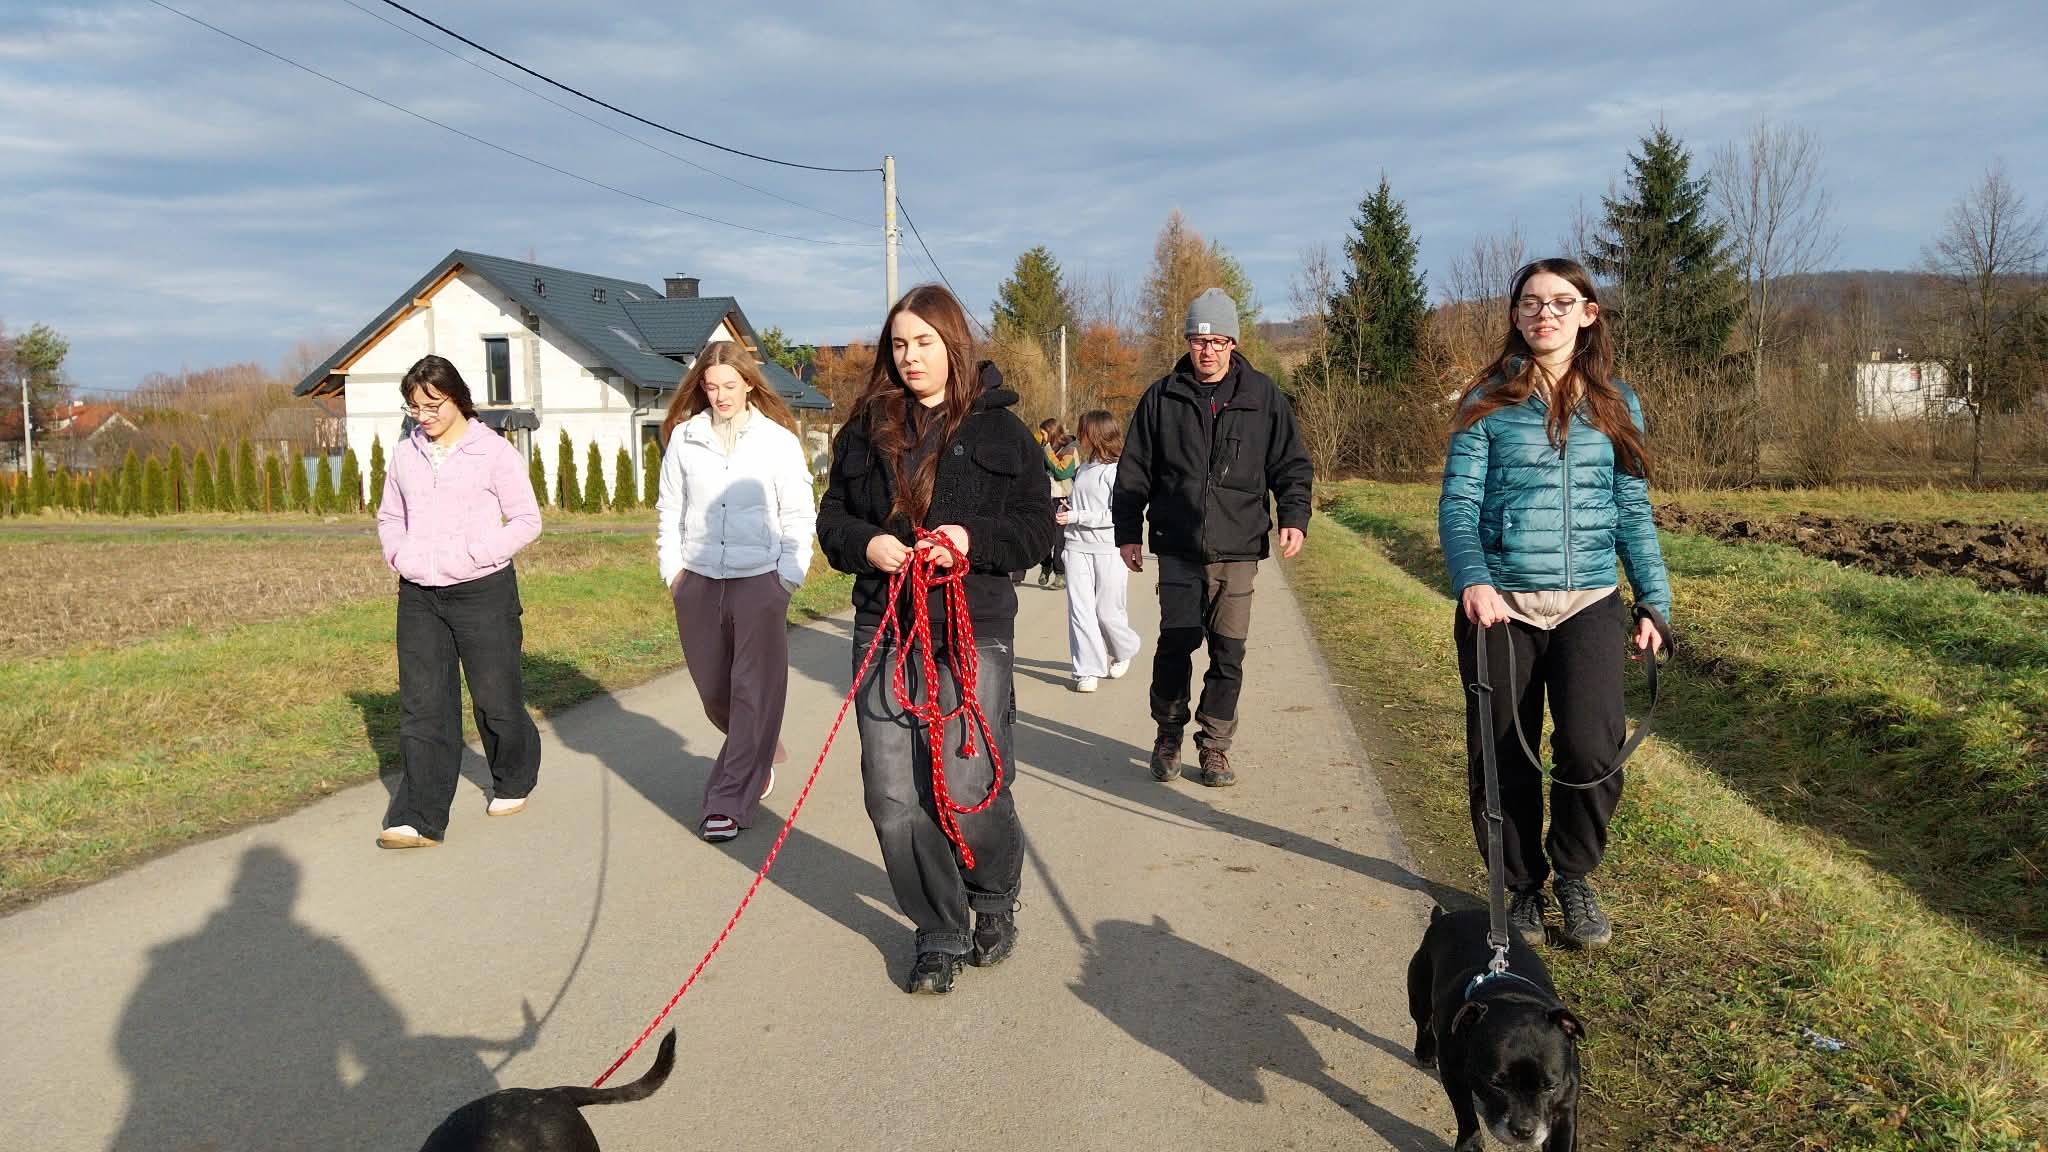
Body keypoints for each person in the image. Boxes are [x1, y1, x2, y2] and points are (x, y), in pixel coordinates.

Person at [816, 284, 1056, 995]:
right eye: (899, 344)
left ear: (953, 346)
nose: (910, 356)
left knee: (970, 783)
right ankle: (939, 928)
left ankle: (991, 893)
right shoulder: (864, 430)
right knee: (893, 794)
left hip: (971, 622)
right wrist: (870, 546)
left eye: (923, 342)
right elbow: (831, 524)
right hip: (884, 622)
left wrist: (970, 539)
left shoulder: (1003, 433)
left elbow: (1038, 530)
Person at [1437, 257, 1672, 950]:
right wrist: (1472, 580)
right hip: (1499, 606)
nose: (1546, 314)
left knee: (1593, 748)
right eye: (1532, 303)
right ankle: (1520, 887)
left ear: (1588, 314)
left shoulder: (1616, 402)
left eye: (1562, 302)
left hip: (1590, 602)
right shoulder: (1486, 398)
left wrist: (1653, 602)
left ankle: (1572, 874)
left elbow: (1633, 507)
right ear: (1514, 316)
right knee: (1503, 755)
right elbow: (1457, 505)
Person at [1112, 287, 1313, 788]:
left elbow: (1291, 464)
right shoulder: (1161, 396)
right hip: (1178, 544)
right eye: (1199, 341)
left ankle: (1216, 745)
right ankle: (1168, 732)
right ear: (1187, 342)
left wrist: (1294, 515)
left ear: (1232, 343)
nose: (1208, 350)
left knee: (1229, 651)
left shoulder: (1262, 396)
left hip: (1238, 546)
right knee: (1176, 644)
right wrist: (1127, 531)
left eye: (1218, 341)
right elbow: (1134, 469)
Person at [374, 354, 542, 848]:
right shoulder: (406, 453)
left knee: (496, 697)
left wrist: (476, 554)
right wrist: (399, 555)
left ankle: (513, 775)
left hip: (482, 590)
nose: (422, 416)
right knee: (423, 704)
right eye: (414, 408)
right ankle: (419, 816)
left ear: (457, 398)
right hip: (419, 594)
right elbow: (389, 515)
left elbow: (527, 521)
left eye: (431, 405)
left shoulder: (493, 453)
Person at [655, 341, 816, 843]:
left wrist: (787, 577)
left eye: (729, 385)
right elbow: (669, 510)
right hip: (698, 580)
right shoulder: (685, 438)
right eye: (710, 386)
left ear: (749, 383)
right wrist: (674, 572)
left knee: (753, 690)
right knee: (716, 691)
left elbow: (797, 512)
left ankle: (729, 799)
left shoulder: (777, 441)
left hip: (760, 579)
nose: (720, 395)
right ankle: (759, 748)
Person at [1059, 409, 1141, 693]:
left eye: (1082, 430)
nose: (1077, 436)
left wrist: (1077, 516)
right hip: (1076, 547)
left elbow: (1115, 514)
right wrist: (1067, 509)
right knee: (1080, 611)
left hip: (1109, 548)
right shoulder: (1083, 468)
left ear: (1095, 433)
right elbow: (1078, 503)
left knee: (1107, 611)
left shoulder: (1117, 470)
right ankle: (1087, 670)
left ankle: (1124, 648)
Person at [1037, 418, 1078, 588]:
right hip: (1044, 499)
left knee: (1059, 540)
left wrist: (1047, 453)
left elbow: (1063, 472)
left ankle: (1060, 574)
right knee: (1042, 537)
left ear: (1051, 432)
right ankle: (1045, 565)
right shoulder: (1043, 448)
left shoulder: (1070, 449)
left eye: (1044, 433)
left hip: (1062, 499)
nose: (1041, 436)